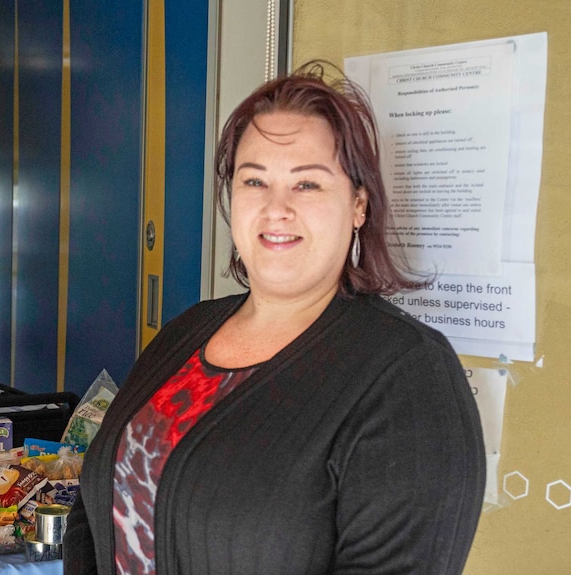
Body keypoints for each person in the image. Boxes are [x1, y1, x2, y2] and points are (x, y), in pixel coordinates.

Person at [63, 61, 486, 574]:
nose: (276, 208)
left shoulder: (408, 375)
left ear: (358, 204)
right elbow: (97, 499)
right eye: (254, 181)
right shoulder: (188, 331)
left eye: (307, 185)